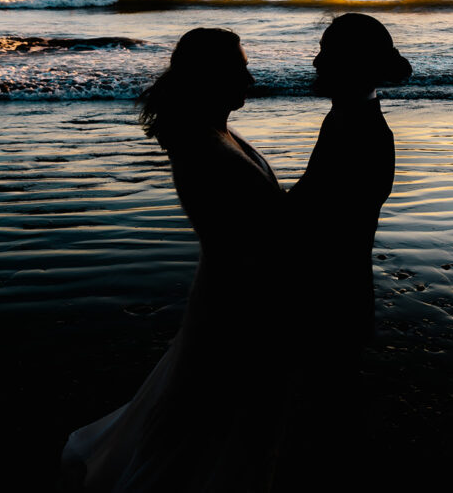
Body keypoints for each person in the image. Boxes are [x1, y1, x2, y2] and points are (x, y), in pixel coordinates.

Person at [61, 28, 289, 492]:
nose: (249, 76)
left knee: (210, 414)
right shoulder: (202, 146)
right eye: (238, 67)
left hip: (237, 291)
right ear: (211, 76)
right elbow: (248, 231)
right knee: (202, 420)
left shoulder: (218, 131)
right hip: (235, 299)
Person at [283, 13, 411, 485]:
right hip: (338, 293)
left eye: (326, 52)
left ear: (349, 64)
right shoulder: (351, 118)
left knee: (323, 424)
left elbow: (318, 216)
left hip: (328, 298)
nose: (315, 61)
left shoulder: (360, 131)